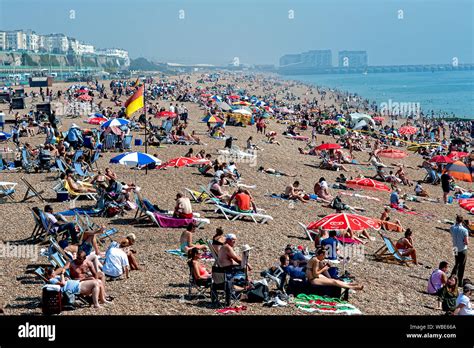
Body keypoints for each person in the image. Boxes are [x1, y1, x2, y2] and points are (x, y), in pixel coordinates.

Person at [450, 215, 469, 285]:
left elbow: (452, 231)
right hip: (462, 249)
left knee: (456, 263)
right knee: (462, 266)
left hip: (455, 248)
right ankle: (459, 281)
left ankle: (451, 278)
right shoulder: (465, 230)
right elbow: (466, 242)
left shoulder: (452, 228)